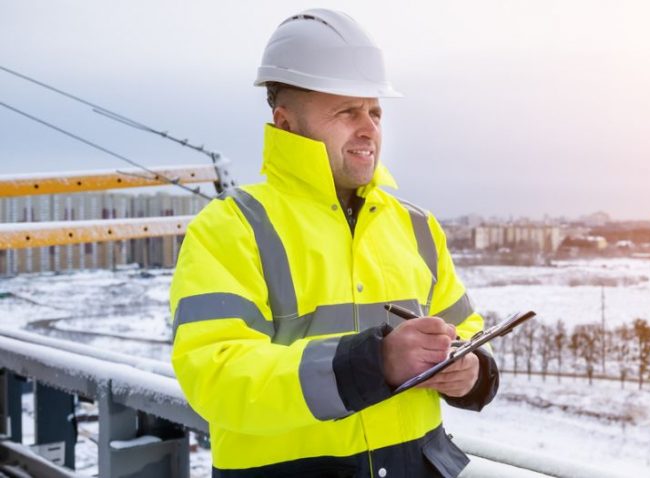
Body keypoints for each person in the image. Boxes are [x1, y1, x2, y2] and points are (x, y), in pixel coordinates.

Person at [169, 9, 498, 477]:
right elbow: (216, 374)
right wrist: (376, 362)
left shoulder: (416, 226)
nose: (369, 128)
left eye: (375, 112)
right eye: (347, 111)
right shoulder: (231, 227)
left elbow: (467, 330)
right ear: (286, 124)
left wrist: (469, 370)